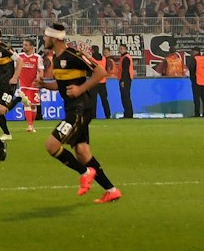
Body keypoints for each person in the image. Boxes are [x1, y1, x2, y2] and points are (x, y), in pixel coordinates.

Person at [41, 23, 121, 204]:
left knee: (51, 145)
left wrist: (80, 89)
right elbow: (61, 86)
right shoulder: (56, 58)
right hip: (72, 107)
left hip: (80, 108)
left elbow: (100, 72)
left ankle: (85, 173)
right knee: (83, 151)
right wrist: (44, 84)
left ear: (54, 38)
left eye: (45, 36)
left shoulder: (73, 55)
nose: (43, 39)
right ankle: (111, 190)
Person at [15, 46, 42, 133]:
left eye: (26, 45)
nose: (24, 47)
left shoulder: (37, 58)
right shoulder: (20, 57)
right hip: (23, 85)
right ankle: (30, 125)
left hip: (33, 85)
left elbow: (41, 70)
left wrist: (39, 78)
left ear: (31, 47)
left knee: (33, 105)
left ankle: (32, 124)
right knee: (27, 104)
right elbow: (16, 69)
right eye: (23, 45)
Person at [115, 46, 134, 120]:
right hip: (126, 79)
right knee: (125, 97)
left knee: (125, 97)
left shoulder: (125, 58)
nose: (120, 50)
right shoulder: (125, 57)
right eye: (119, 49)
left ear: (125, 49)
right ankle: (128, 113)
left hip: (125, 80)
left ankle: (128, 114)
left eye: (121, 49)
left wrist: (123, 80)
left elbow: (125, 70)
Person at [190, 49, 204, 118]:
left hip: (196, 80)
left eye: (192, 52)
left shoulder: (194, 59)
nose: (191, 53)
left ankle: (197, 113)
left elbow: (191, 68)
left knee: (196, 98)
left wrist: (192, 77)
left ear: (196, 52)